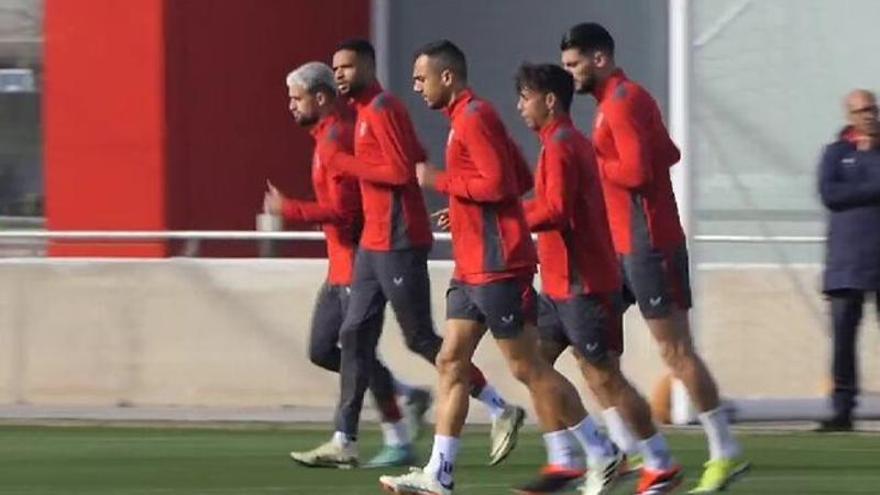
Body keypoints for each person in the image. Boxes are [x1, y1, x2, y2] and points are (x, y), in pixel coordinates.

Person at [379, 40, 622, 495]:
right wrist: (465, 206)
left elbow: (496, 182)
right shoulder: (465, 121)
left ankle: (602, 450)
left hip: (497, 265)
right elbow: (519, 180)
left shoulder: (474, 117)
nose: (416, 87)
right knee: (451, 361)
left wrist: (440, 183)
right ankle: (439, 475)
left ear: (447, 77)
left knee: (528, 367)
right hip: (470, 266)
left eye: (421, 78)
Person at [290, 40, 525, 469]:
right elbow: (413, 154)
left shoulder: (381, 108)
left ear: (367, 66)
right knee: (352, 336)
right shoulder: (365, 114)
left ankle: (498, 406)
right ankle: (345, 438)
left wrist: (346, 164)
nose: (339, 74)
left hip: (398, 240)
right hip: (373, 244)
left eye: (347, 67)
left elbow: (404, 173)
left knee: (420, 337)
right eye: (335, 68)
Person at [559, 22, 749, 493]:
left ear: (599, 59)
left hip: (648, 245)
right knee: (584, 346)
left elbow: (641, 169)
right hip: (620, 246)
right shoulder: (622, 101)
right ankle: (624, 450)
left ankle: (724, 452)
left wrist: (594, 163)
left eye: (574, 64)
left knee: (675, 351)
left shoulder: (623, 103)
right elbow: (669, 152)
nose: (570, 74)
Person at [514, 62, 682, 495]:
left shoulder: (566, 144)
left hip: (584, 283)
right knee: (533, 364)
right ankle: (570, 458)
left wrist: (506, 218)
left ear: (549, 100)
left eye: (525, 97)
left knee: (604, 375)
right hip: (558, 282)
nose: (519, 106)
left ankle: (659, 462)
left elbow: (556, 210)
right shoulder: (555, 143)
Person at [264, 61, 432, 468]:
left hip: (359, 261)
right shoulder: (325, 138)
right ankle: (405, 394)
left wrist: (291, 209)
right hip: (338, 265)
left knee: (364, 349)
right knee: (323, 349)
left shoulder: (337, 138)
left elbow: (347, 213)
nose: (290, 106)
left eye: (296, 98)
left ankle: (390, 435)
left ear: (321, 98)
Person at [816, 88, 880, 432]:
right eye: (862, 110)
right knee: (843, 340)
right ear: (850, 115)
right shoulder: (836, 153)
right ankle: (842, 409)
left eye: (873, 108)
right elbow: (829, 194)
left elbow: (844, 193)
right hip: (846, 262)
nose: (869, 115)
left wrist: (856, 187)